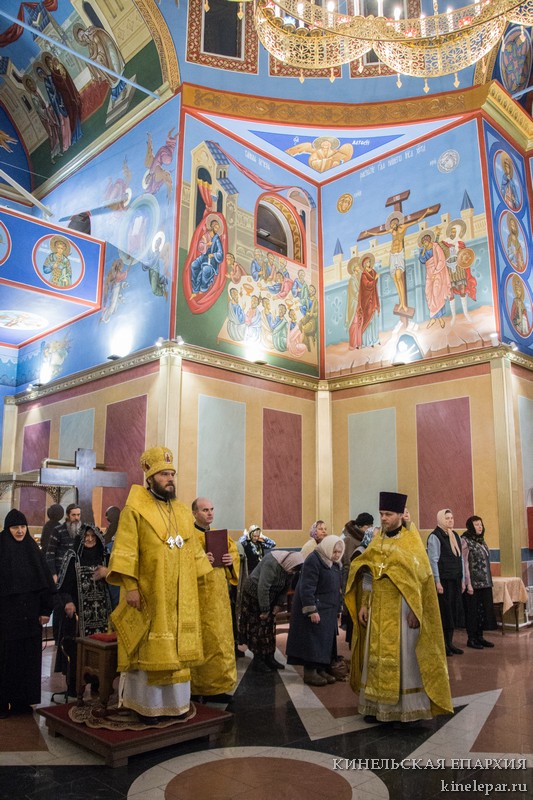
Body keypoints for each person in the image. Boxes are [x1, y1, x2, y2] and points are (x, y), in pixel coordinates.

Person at [106, 446, 212, 724]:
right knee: (149, 652)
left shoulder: (181, 510)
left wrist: (205, 573)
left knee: (177, 650)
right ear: (150, 478)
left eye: (172, 474)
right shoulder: (134, 510)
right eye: (164, 474)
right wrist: (130, 587)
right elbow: (126, 551)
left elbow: (193, 550)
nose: (170, 479)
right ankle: (146, 707)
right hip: (149, 593)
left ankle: (177, 705)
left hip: (180, 596)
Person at [345, 491, 452, 724]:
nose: (383, 518)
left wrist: (416, 609)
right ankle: (376, 707)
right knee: (375, 657)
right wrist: (364, 604)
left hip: (402, 608)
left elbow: (421, 578)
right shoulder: (377, 540)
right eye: (381, 513)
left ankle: (403, 710)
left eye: (388, 514)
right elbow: (368, 574)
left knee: (404, 660)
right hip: (377, 608)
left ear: (400, 515)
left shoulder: (411, 541)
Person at [0, 509, 56, 718]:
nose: (20, 531)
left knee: (27, 661)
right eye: (15, 527)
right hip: (6, 619)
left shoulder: (32, 549)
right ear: (8, 529)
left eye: (23, 527)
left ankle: (21, 702)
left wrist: (45, 610)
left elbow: (45, 583)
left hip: (30, 618)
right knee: (6, 661)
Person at [190, 497, 239, 704]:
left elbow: (234, 555)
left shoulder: (220, 536)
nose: (209, 513)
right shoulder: (188, 537)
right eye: (204, 510)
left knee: (221, 641)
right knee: (202, 641)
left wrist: (230, 561)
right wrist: (201, 561)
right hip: (198, 597)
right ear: (194, 513)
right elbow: (181, 564)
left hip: (219, 597)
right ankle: (196, 687)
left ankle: (219, 687)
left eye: (211, 509)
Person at [54, 525, 112, 697]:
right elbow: (63, 585)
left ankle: (98, 684)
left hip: (101, 614)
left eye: (93, 536)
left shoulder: (105, 556)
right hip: (78, 614)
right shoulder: (73, 557)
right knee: (76, 650)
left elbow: (116, 579)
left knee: (100, 650)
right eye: (86, 536)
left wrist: (108, 573)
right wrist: (68, 602)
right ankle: (74, 686)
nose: (89, 539)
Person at [286, 535, 344, 686]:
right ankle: (310, 672)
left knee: (325, 641)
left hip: (328, 609)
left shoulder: (334, 563)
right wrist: (311, 610)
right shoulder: (314, 559)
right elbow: (307, 586)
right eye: (334, 551)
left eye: (339, 552)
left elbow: (337, 586)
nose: (336, 555)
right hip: (316, 608)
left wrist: (338, 606)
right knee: (313, 641)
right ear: (327, 548)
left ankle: (321, 669)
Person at [239, 550, 303, 673]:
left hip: (271, 595)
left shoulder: (290, 567)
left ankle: (269, 657)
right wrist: (265, 610)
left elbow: (285, 587)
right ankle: (258, 660)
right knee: (258, 627)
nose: (292, 572)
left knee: (270, 627)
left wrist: (279, 604)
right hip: (254, 594)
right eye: (293, 570)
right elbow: (263, 587)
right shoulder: (272, 562)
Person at [427, 509, 465, 656]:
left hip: (455, 579)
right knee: (445, 614)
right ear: (441, 520)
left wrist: (462, 580)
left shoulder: (454, 535)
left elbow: (460, 559)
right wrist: (437, 582)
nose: (450, 520)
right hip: (443, 581)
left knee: (453, 613)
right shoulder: (435, 536)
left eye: (452, 518)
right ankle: (442, 645)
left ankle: (450, 643)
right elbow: (433, 560)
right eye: (447, 518)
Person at [462, 516, 496, 649]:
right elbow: (464, 563)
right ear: (470, 527)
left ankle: (480, 637)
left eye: (481, 524)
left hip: (485, 583)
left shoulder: (481, 541)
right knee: (473, 612)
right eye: (476, 525)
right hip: (473, 584)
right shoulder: (465, 540)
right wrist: (468, 583)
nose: (480, 527)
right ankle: (471, 638)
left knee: (482, 611)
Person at [418, 230, 451, 328]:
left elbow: (441, 260)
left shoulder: (436, 247)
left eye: (425, 241)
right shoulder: (423, 250)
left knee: (437, 293)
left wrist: (436, 272)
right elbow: (422, 260)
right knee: (428, 293)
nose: (425, 243)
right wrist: (423, 251)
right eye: (423, 242)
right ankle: (434, 317)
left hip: (437, 272)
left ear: (429, 240)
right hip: (429, 272)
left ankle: (439, 318)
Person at [45, 503, 82, 582]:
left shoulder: (83, 531)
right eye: (73, 515)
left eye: (78, 515)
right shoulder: (58, 530)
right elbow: (50, 554)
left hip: (77, 574)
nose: (76, 518)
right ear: (68, 515)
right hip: (60, 573)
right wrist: (53, 574)